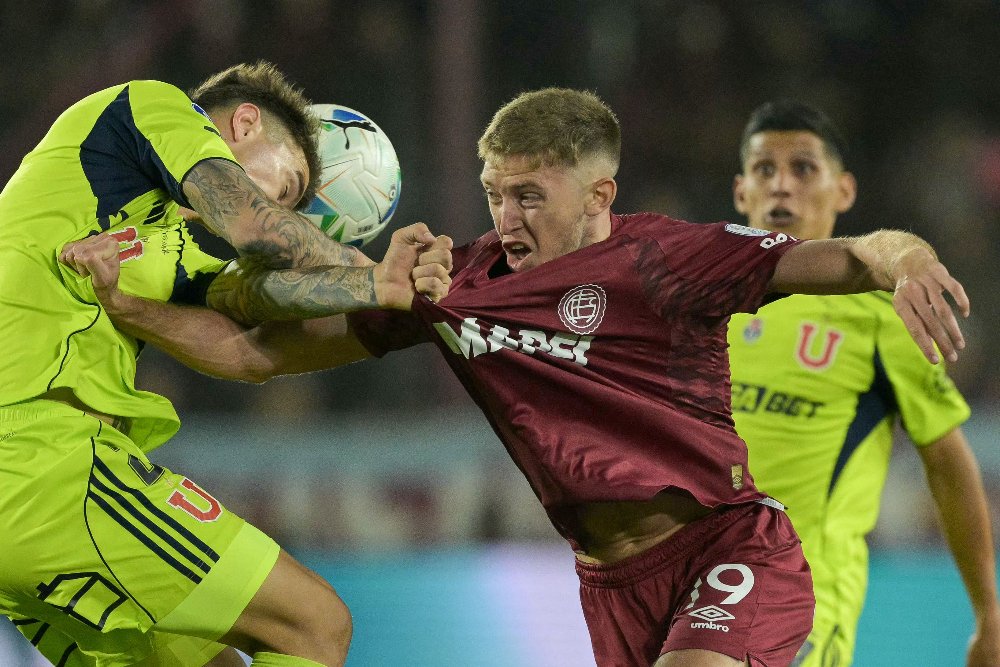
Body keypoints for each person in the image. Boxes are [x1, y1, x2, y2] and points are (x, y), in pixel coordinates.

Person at [64, 88, 970, 667]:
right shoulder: (454, 285)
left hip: (725, 547)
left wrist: (914, 258)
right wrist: (131, 309)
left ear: (600, 197)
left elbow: (852, 255)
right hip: (610, 585)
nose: (507, 214)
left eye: (530, 195)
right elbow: (249, 351)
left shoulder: (668, 259)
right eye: (497, 192)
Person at [0, 61, 451, 667]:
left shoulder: (161, 248)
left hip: (35, 495)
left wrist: (399, 309)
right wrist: (365, 269)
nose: (288, 211)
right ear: (243, 124)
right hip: (36, 461)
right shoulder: (145, 108)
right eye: (289, 189)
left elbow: (249, 334)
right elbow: (254, 228)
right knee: (313, 626)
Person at [727, 100, 1000, 666]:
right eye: (764, 170)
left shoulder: (879, 318)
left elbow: (948, 465)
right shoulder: (703, 306)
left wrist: (988, 614)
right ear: (740, 192)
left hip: (800, 596)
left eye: (803, 169)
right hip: (688, 593)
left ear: (843, 192)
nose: (782, 187)